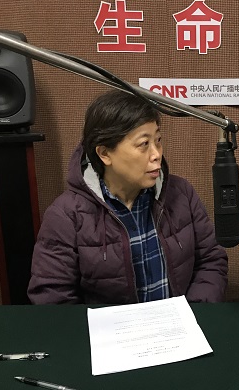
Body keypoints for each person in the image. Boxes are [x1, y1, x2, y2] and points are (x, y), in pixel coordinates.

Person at [28, 89, 228, 304]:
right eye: (144, 144)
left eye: (158, 140)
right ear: (104, 153)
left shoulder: (181, 194)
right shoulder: (66, 215)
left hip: (179, 321)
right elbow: (52, 296)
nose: (157, 154)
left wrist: (193, 313)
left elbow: (211, 261)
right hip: (107, 326)